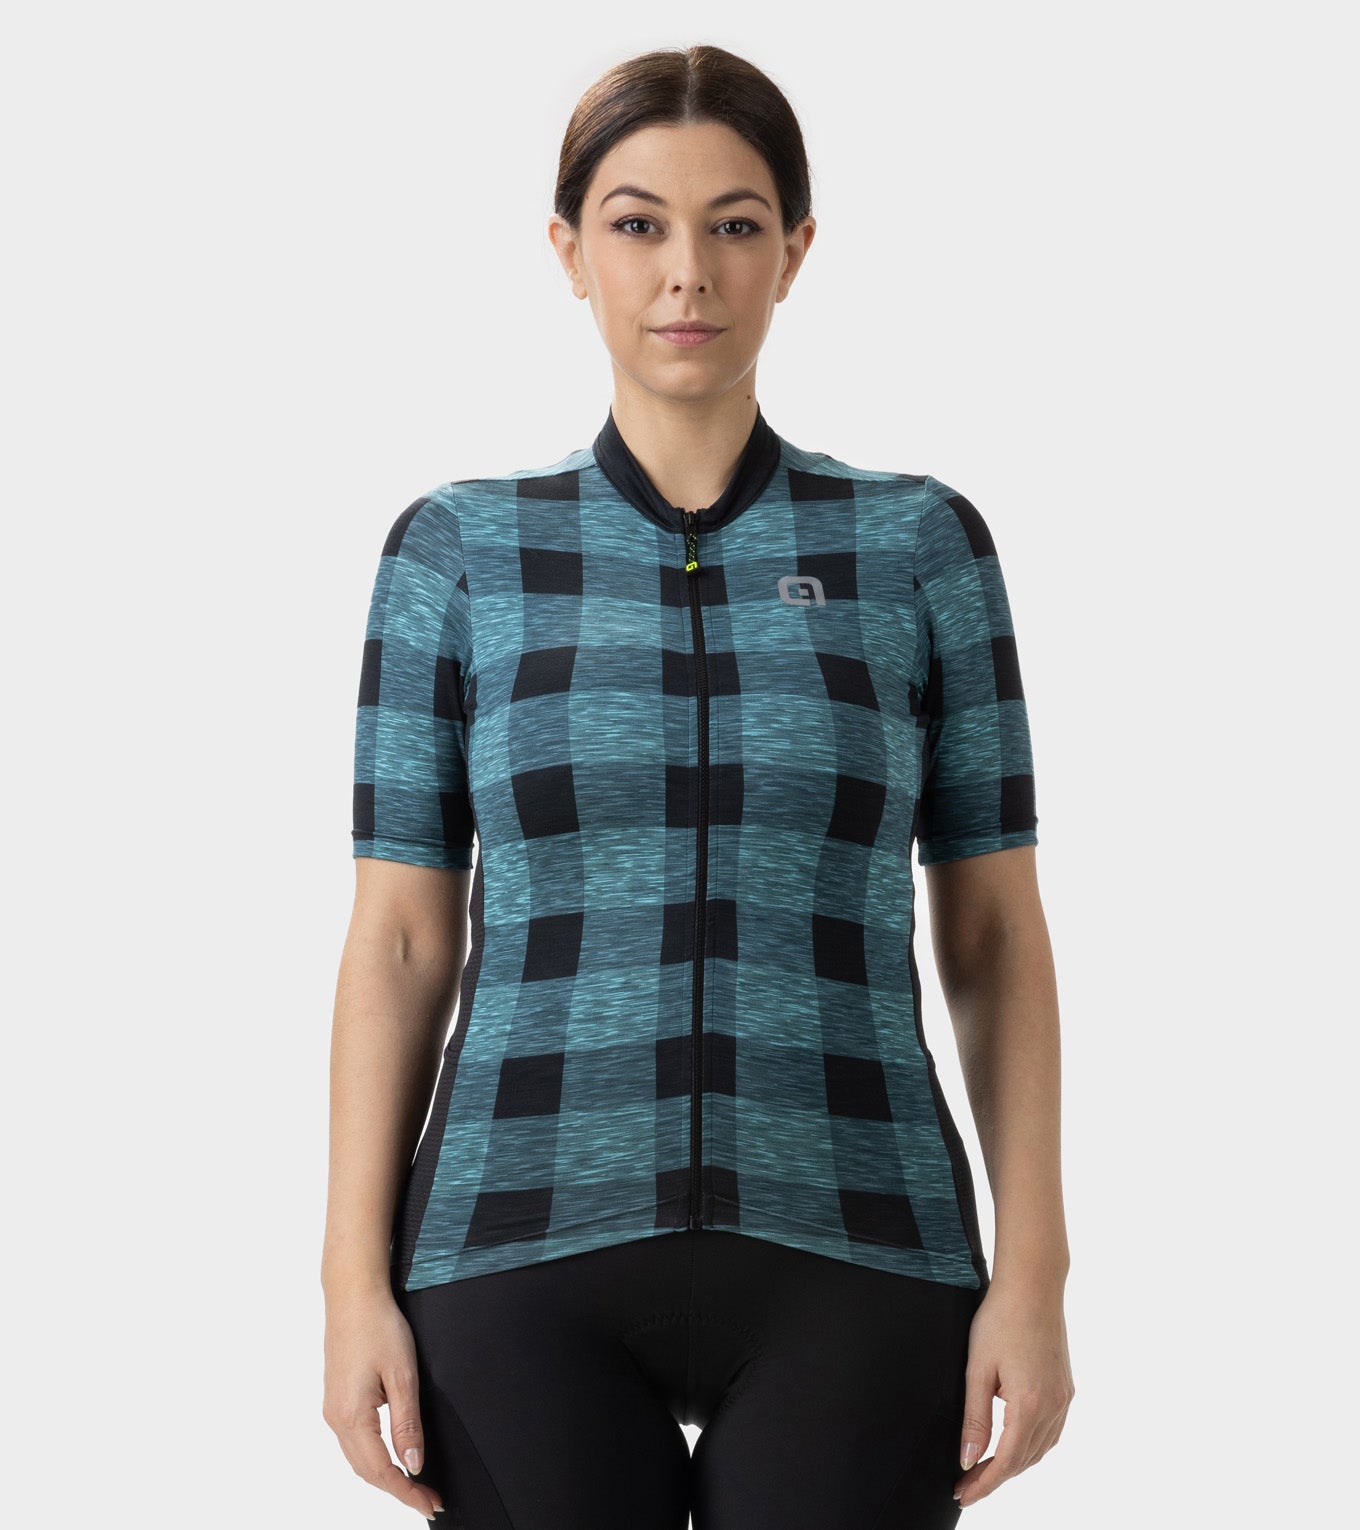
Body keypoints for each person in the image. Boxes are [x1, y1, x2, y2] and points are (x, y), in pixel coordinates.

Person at [321, 42, 1074, 1530]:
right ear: (569, 251)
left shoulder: (918, 547)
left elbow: (994, 933)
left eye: (735, 224)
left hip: (862, 1236)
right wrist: (350, 1283)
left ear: (795, 251)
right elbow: (400, 938)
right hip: (513, 1240)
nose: (687, 273)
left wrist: (1036, 1276)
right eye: (637, 224)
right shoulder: (457, 554)